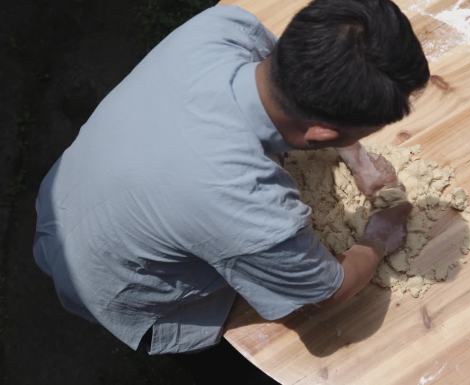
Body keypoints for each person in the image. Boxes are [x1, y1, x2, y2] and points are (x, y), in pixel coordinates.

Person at [33, 0, 428, 364]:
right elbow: (330, 291)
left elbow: (302, 94)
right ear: (321, 136)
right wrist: (378, 237)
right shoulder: (246, 205)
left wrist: (356, 156)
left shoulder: (223, 26)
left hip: (66, 194)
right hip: (113, 288)